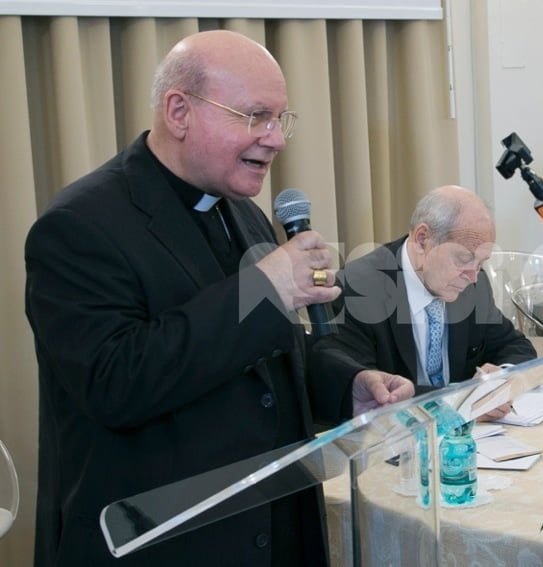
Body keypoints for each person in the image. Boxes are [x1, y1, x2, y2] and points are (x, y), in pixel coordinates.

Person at [24, 30, 412, 566]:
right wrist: (264, 290)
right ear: (179, 112)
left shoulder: (243, 211)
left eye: (279, 119)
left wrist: (346, 384)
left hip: (272, 529)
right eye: (255, 116)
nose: (275, 139)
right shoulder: (78, 225)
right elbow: (114, 382)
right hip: (163, 545)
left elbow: (266, 359)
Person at [310, 185, 537, 423]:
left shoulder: (474, 283)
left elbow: (516, 346)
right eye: (464, 258)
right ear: (422, 240)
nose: (473, 276)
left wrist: (500, 378)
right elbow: (370, 395)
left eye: (481, 262)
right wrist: (461, 402)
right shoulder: (356, 290)